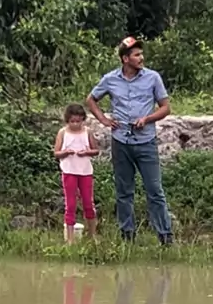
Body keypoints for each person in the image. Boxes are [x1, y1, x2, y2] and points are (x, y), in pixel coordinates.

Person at [86, 37, 173, 245]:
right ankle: (127, 236)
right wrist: (104, 120)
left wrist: (147, 119)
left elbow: (165, 108)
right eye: (136, 55)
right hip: (121, 142)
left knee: (155, 190)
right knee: (124, 192)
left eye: (141, 54)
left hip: (146, 142)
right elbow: (91, 100)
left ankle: (165, 237)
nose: (141, 58)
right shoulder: (110, 79)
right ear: (125, 59)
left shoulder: (152, 78)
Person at [54, 103, 99, 244]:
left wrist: (86, 152)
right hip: (69, 171)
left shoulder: (87, 132)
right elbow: (56, 153)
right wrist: (65, 152)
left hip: (85, 172)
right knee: (70, 204)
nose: (75, 124)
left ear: (82, 120)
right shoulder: (63, 132)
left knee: (88, 203)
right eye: (72, 121)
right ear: (67, 120)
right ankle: (70, 238)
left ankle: (92, 234)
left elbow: (95, 150)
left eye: (78, 121)